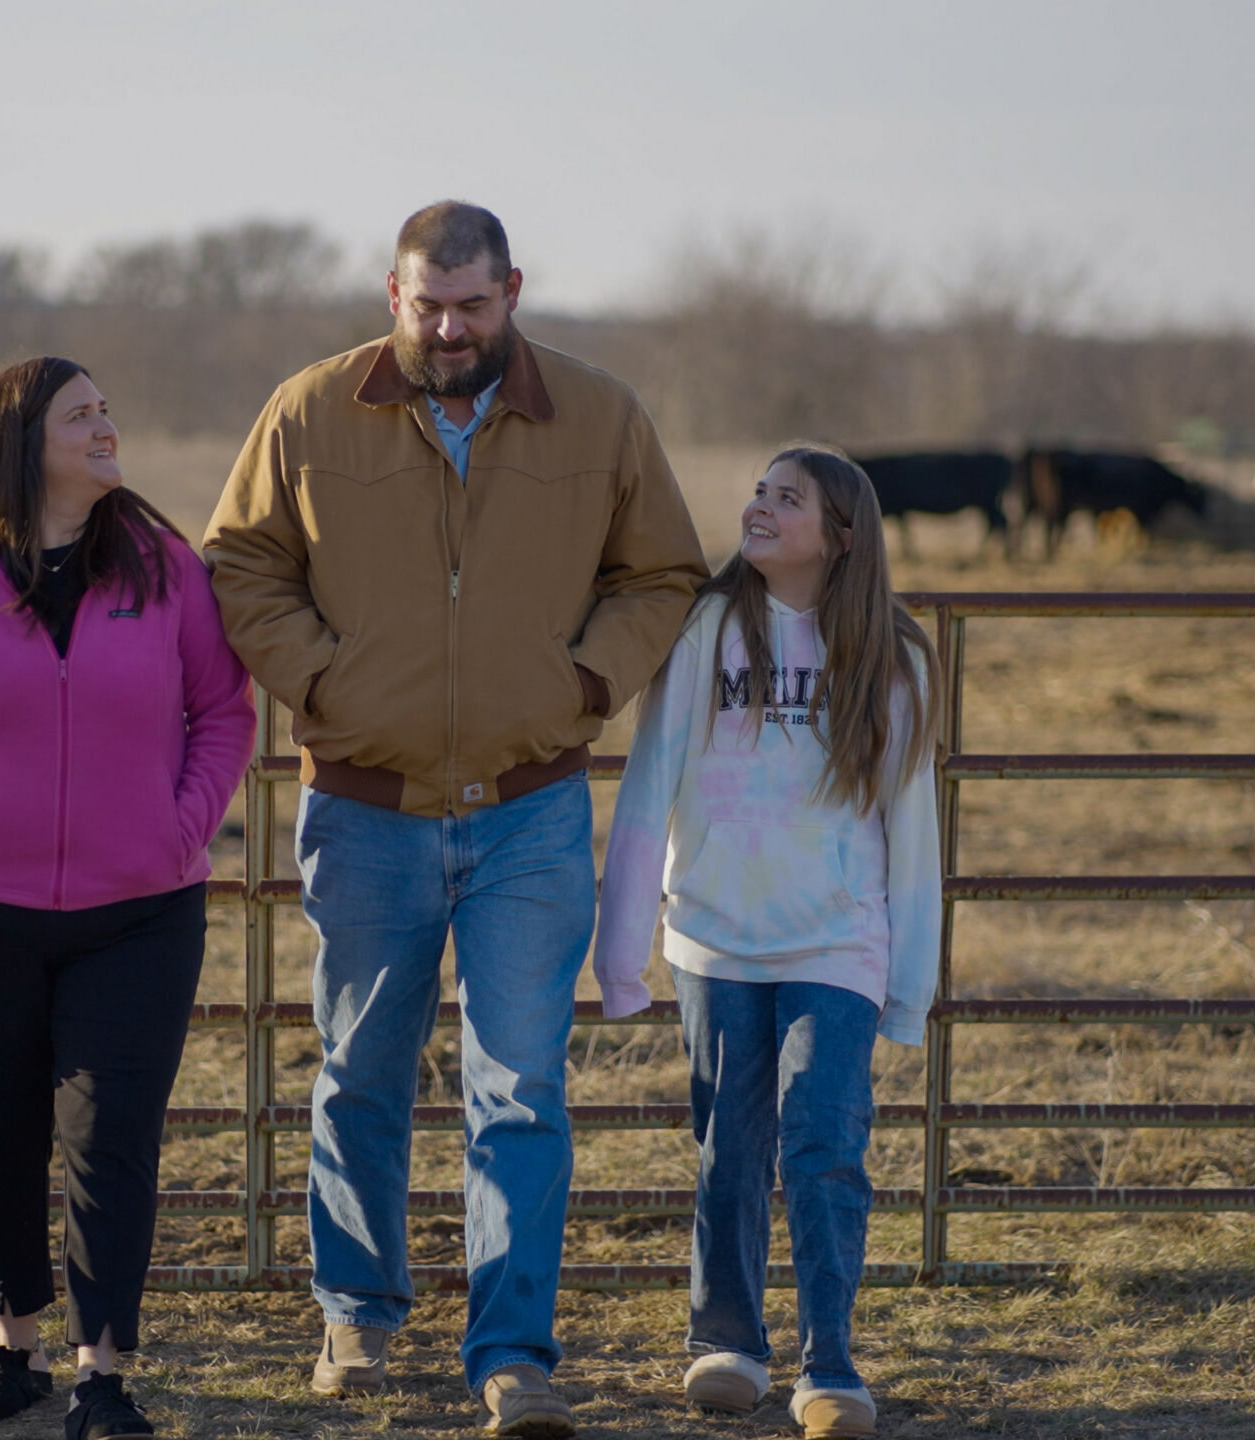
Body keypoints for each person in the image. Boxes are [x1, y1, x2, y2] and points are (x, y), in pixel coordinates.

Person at [202, 201, 707, 1437]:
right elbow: (240, 564)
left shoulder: (599, 414)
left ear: (513, 292)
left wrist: (580, 686)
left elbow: (662, 574)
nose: (447, 329)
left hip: (531, 808)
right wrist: (326, 684)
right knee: (360, 1072)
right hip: (362, 808)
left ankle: (512, 1352)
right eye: (426, 305)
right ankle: (358, 1315)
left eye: (471, 306)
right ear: (391, 293)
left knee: (521, 1089)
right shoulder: (309, 411)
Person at [0, 357, 256, 1440]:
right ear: (20, 442)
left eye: (108, 409)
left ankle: (103, 1372)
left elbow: (224, 712)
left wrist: (180, 826)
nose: (107, 427)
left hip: (140, 913)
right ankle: (15, 1345)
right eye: (83, 415)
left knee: (110, 1136)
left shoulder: (166, 568)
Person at [594, 446, 940, 1439]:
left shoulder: (892, 655)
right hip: (712, 937)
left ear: (839, 536)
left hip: (837, 939)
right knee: (728, 1146)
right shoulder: (707, 628)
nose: (759, 507)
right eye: (757, 491)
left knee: (823, 1144)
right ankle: (729, 1343)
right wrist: (624, 952)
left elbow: (910, 825)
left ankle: (828, 1363)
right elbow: (652, 778)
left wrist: (908, 981)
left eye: (786, 499)